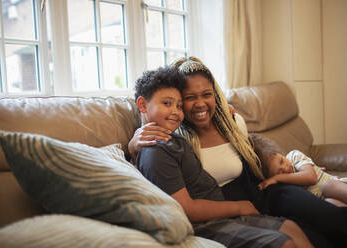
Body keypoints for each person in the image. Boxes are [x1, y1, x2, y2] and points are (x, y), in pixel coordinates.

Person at [128, 56, 347, 247]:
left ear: (216, 95)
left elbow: (259, 158)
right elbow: (154, 151)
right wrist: (133, 146)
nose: (200, 104)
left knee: (333, 220)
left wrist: (305, 171)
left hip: (266, 194)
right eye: (189, 98)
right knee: (318, 240)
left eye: (207, 94)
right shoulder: (177, 135)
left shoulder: (232, 122)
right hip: (229, 209)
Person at [250, 133, 347, 207]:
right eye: (279, 171)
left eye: (281, 161)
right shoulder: (282, 186)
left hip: (337, 187)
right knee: (331, 204)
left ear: (279, 153)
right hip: (326, 199)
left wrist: (278, 177)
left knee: (327, 185)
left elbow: (311, 177)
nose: (285, 168)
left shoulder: (294, 156)